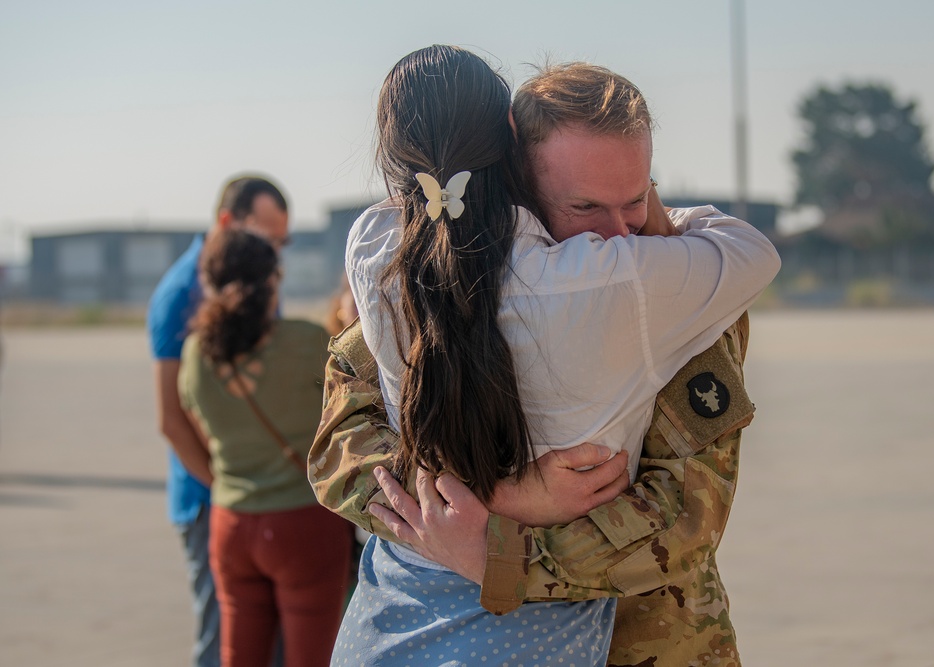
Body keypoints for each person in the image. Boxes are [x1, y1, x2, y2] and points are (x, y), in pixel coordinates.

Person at [320, 45, 779, 667]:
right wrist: (497, 498)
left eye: (636, 198)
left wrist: (493, 549)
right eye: (584, 207)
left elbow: (689, 509)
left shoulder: (685, 296)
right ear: (516, 178)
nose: (621, 234)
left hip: (656, 636)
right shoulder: (436, 292)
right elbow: (340, 449)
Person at [179, 228, 354, 667]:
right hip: (303, 522)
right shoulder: (306, 341)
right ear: (274, 279)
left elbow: (198, 427)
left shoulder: (196, 353)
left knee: (240, 654)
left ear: (209, 283)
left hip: (231, 523)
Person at [147, 175, 290, 667]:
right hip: (213, 500)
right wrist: (231, 491)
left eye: (280, 241)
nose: (275, 251)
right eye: (265, 236)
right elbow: (172, 418)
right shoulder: (181, 295)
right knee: (224, 641)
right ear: (228, 223)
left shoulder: (259, 279)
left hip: (263, 494)